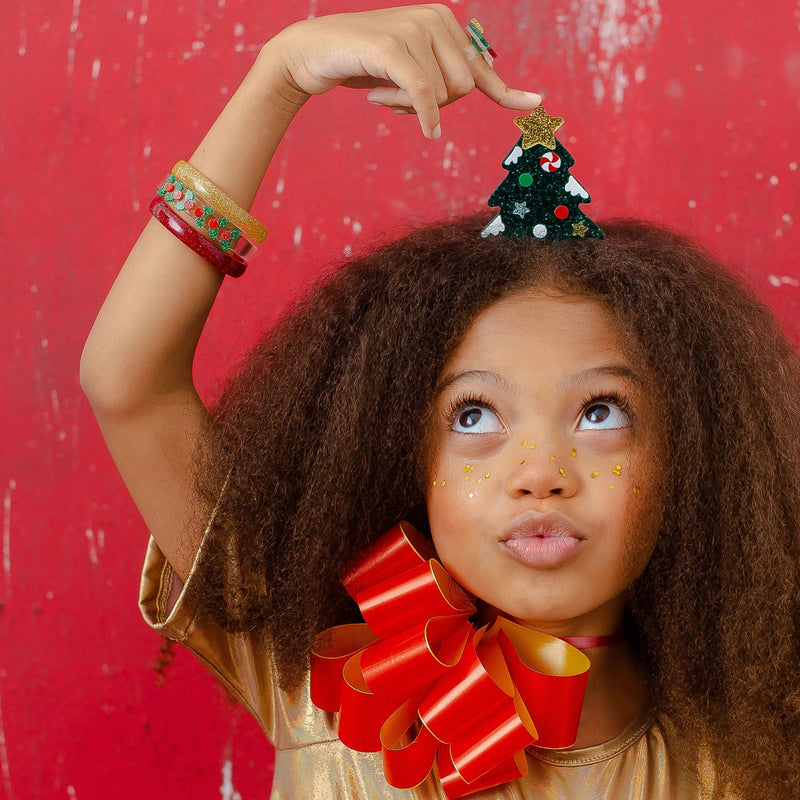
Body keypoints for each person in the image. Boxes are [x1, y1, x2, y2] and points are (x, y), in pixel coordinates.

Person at [80, 5, 800, 799]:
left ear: (688, 456)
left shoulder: (757, 743)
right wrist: (278, 78)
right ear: (403, 452)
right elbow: (129, 383)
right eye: (474, 416)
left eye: (601, 412)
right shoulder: (327, 675)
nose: (541, 474)